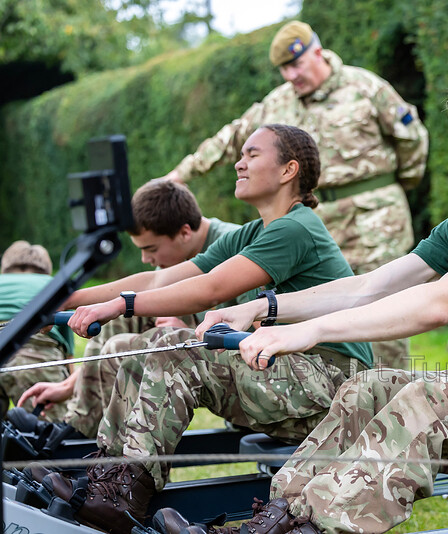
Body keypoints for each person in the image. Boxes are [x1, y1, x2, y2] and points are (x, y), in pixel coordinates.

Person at [155, 64, 448, 534]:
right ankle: (278, 518)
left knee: (431, 397)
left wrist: (310, 332)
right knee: (368, 386)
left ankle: (318, 528)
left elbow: (439, 303)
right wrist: (263, 308)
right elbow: (371, 286)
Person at [41, 124, 373, 534]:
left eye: (252, 154)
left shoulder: (296, 228)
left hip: (332, 383)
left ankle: (124, 496)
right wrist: (68, 298)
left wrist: (121, 305)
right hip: (287, 367)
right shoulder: (256, 231)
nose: (239, 162)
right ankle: (109, 478)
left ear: (289, 170)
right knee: (151, 344)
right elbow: (164, 279)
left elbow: (208, 290)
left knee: (177, 351)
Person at [161, 20, 429, 368]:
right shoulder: (277, 104)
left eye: (296, 64)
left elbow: (412, 139)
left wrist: (391, 187)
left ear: (317, 51)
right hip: (316, 217)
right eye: (284, 69)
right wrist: (181, 175)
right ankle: (343, 396)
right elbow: (231, 138)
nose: (291, 75)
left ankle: (392, 390)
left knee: (382, 303)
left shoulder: (365, 87)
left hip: (374, 216)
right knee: (323, 305)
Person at [13, 179, 244, 439]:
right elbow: (148, 284)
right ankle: (77, 427)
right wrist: (69, 386)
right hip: (212, 360)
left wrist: (190, 333)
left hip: (245, 372)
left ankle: (88, 444)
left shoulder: (234, 246)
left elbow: (255, 326)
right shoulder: (182, 255)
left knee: (129, 342)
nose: (146, 259)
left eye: (151, 249)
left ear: (185, 232)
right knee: (122, 320)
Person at [0, 241, 73, 420]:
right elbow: (69, 358)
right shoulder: (52, 285)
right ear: (46, 269)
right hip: (37, 356)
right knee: (48, 436)